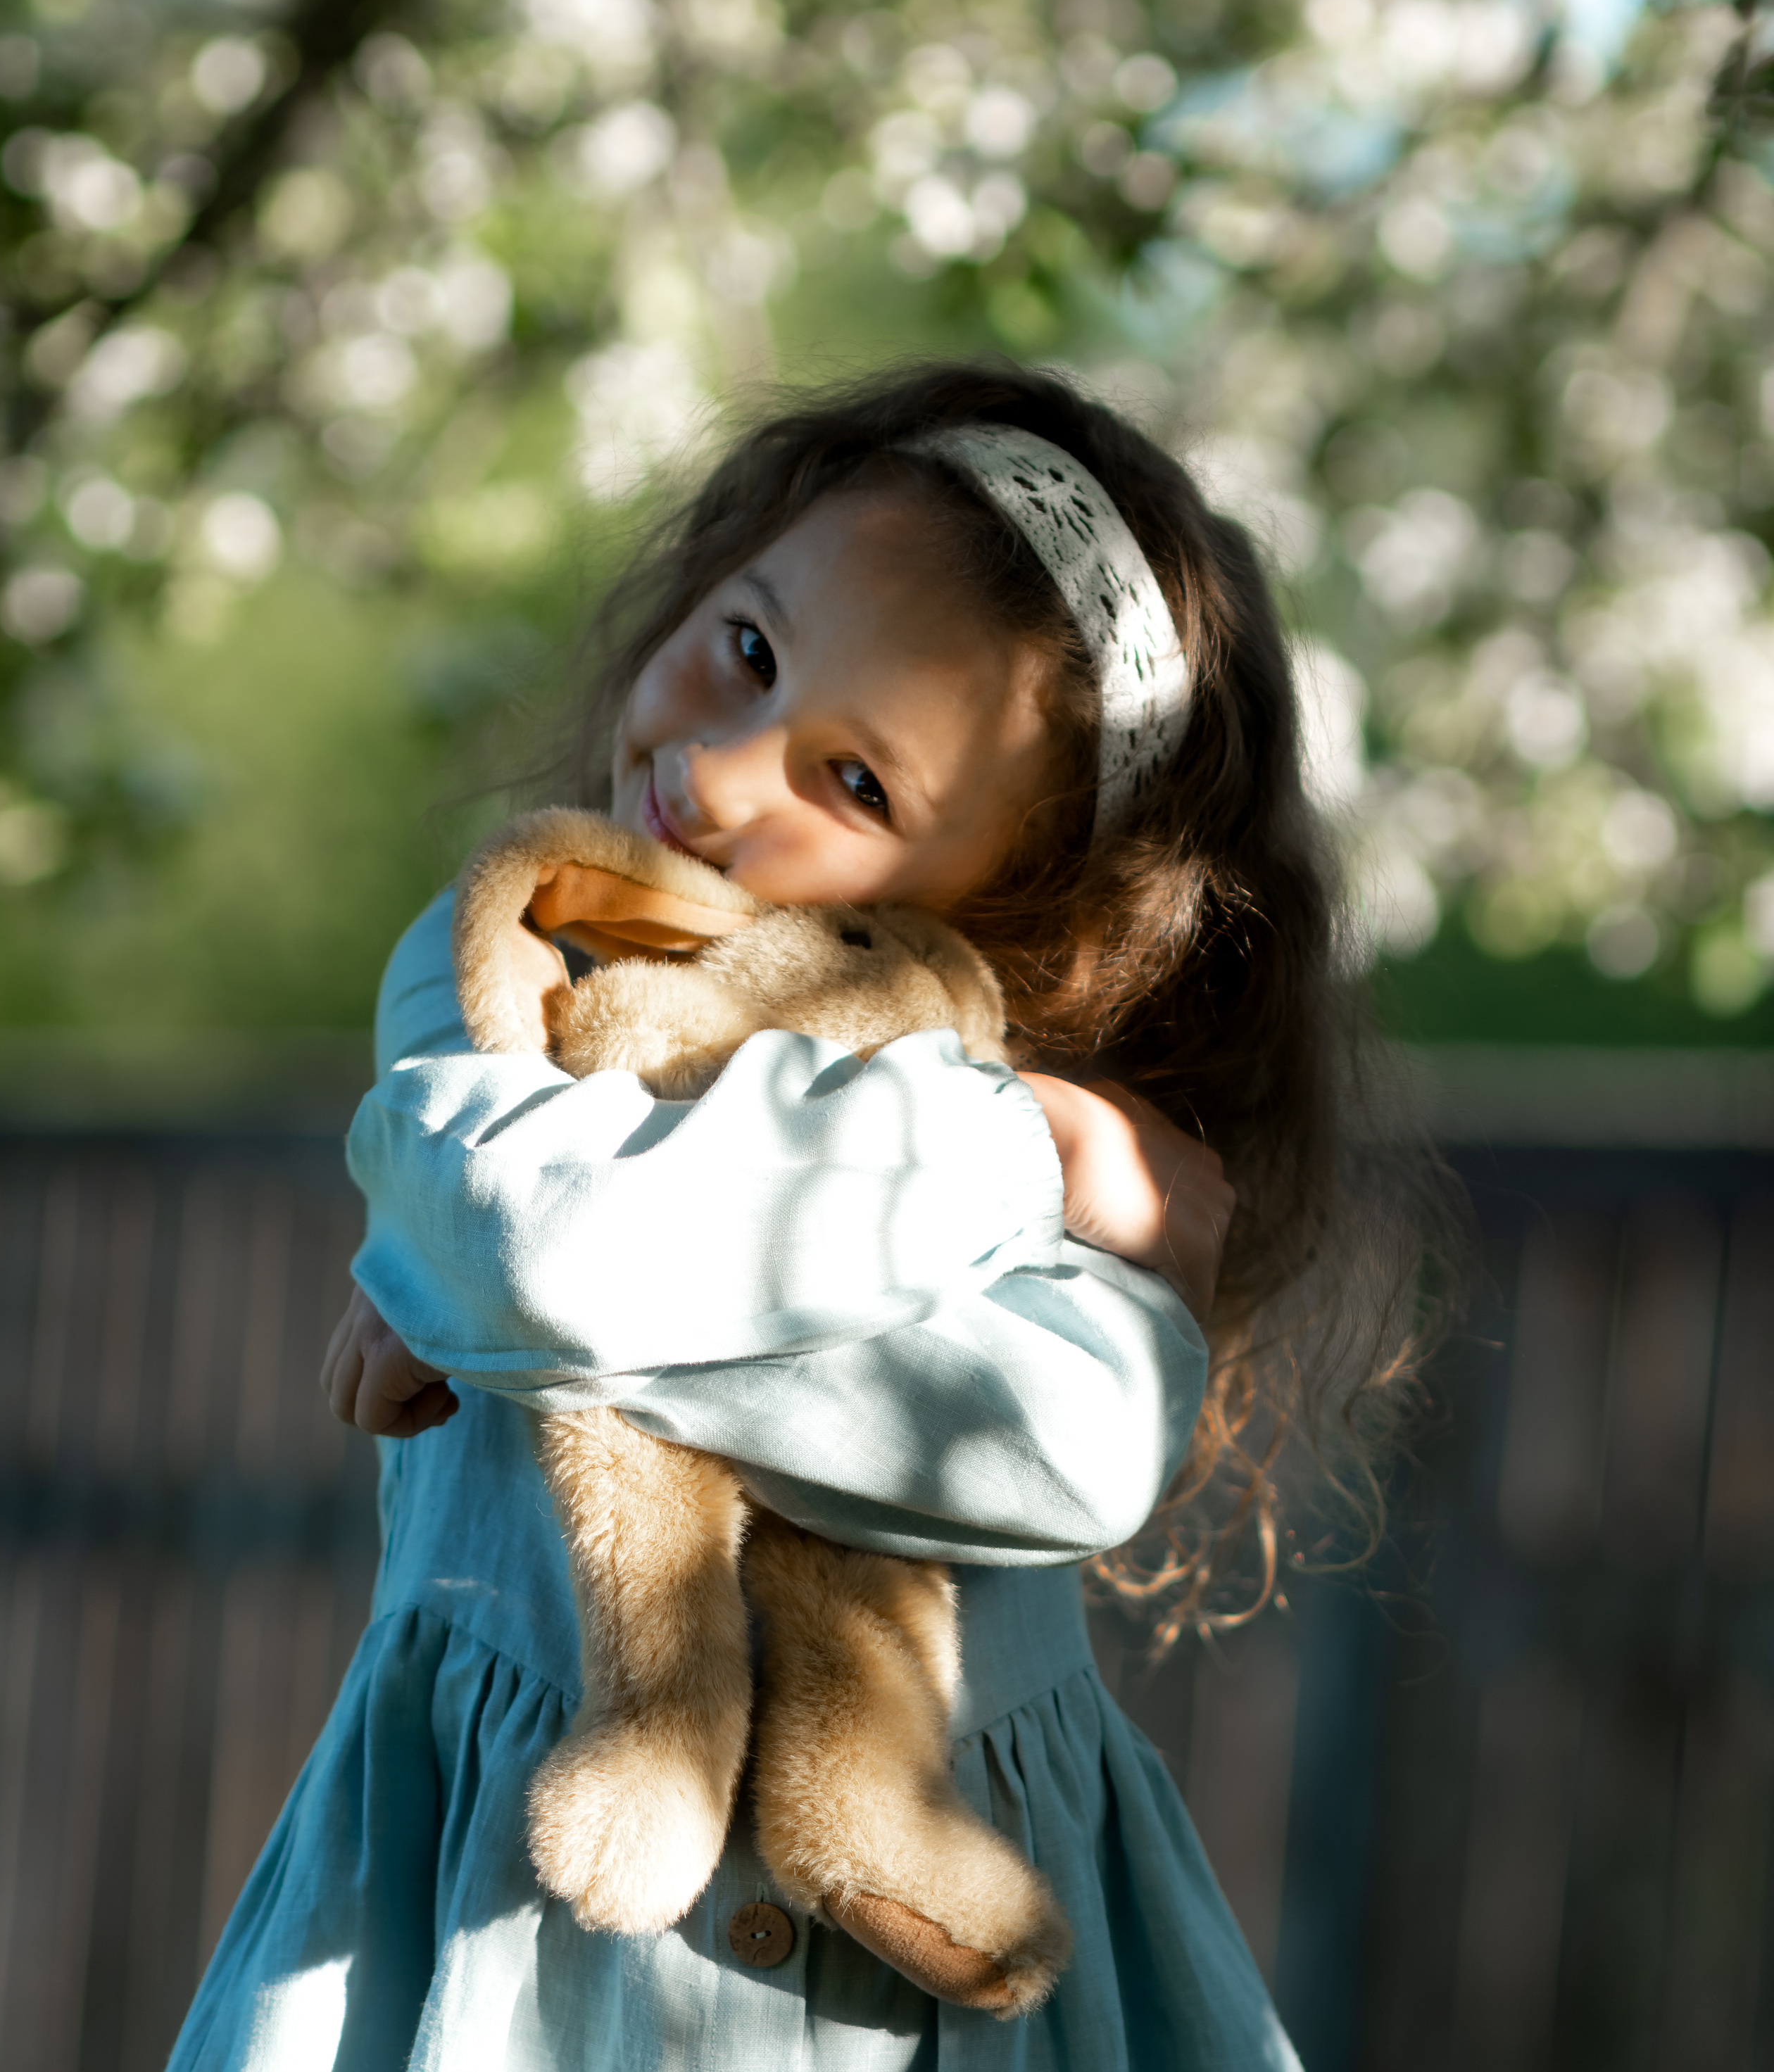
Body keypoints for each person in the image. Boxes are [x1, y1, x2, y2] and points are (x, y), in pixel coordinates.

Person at [169, 362, 1445, 2071]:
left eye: (856, 786)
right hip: (502, 1948)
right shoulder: (501, 968)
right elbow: (532, 1247)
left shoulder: (964, 1078)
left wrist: (511, 1310)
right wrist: (1013, 1157)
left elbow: (1071, 1446)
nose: (716, 768)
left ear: (1022, 901)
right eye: (751, 650)